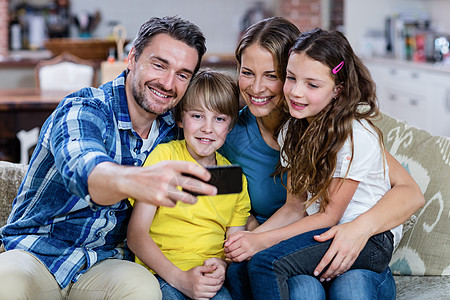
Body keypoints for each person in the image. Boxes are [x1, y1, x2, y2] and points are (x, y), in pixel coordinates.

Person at [0, 16, 218, 299]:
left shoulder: (177, 130)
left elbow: (220, 169)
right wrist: (135, 179)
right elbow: (83, 168)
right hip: (37, 253)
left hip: (107, 263)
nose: (167, 83)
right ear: (132, 58)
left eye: (182, 74)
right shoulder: (85, 108)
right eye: (159, 65)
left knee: (144, 289)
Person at [221, 17, 424, 299]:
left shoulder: (349, 132)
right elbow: (292, 206)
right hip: (300, 238)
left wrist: (358, 229)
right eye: (247, 72)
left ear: (335, 89)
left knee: (344, 286)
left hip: (356, 238)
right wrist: (247, 239)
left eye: (272, 75)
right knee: (257, 272)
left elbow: (409, 194)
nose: (257, 88)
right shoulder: (230, 134)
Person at [127, 68, 251, 300]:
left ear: (231, 125)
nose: (207, 128)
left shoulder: (234, 178)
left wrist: (223, 265)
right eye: (197, 116)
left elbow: (234, 244)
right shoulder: (165, 158)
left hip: (208, 280)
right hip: (162, 274)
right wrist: (181, 279)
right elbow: (136, 235)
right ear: (179, 118)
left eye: (219, 119)